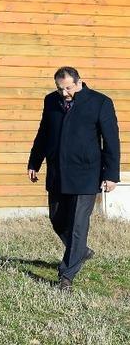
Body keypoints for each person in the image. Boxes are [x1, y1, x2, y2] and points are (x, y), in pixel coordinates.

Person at [27, 66, 120, 291]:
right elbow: (43, 133)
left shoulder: (100, 102)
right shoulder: (51, 101)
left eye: (68, 88)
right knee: (57, 219)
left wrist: (111, 175)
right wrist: (34, 162)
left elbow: (111, 140)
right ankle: (81, 251)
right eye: (60, 89)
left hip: (86, 174)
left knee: (78, 225)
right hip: (58, 172)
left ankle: (66, 276)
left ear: (79, 82)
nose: (65, 93)